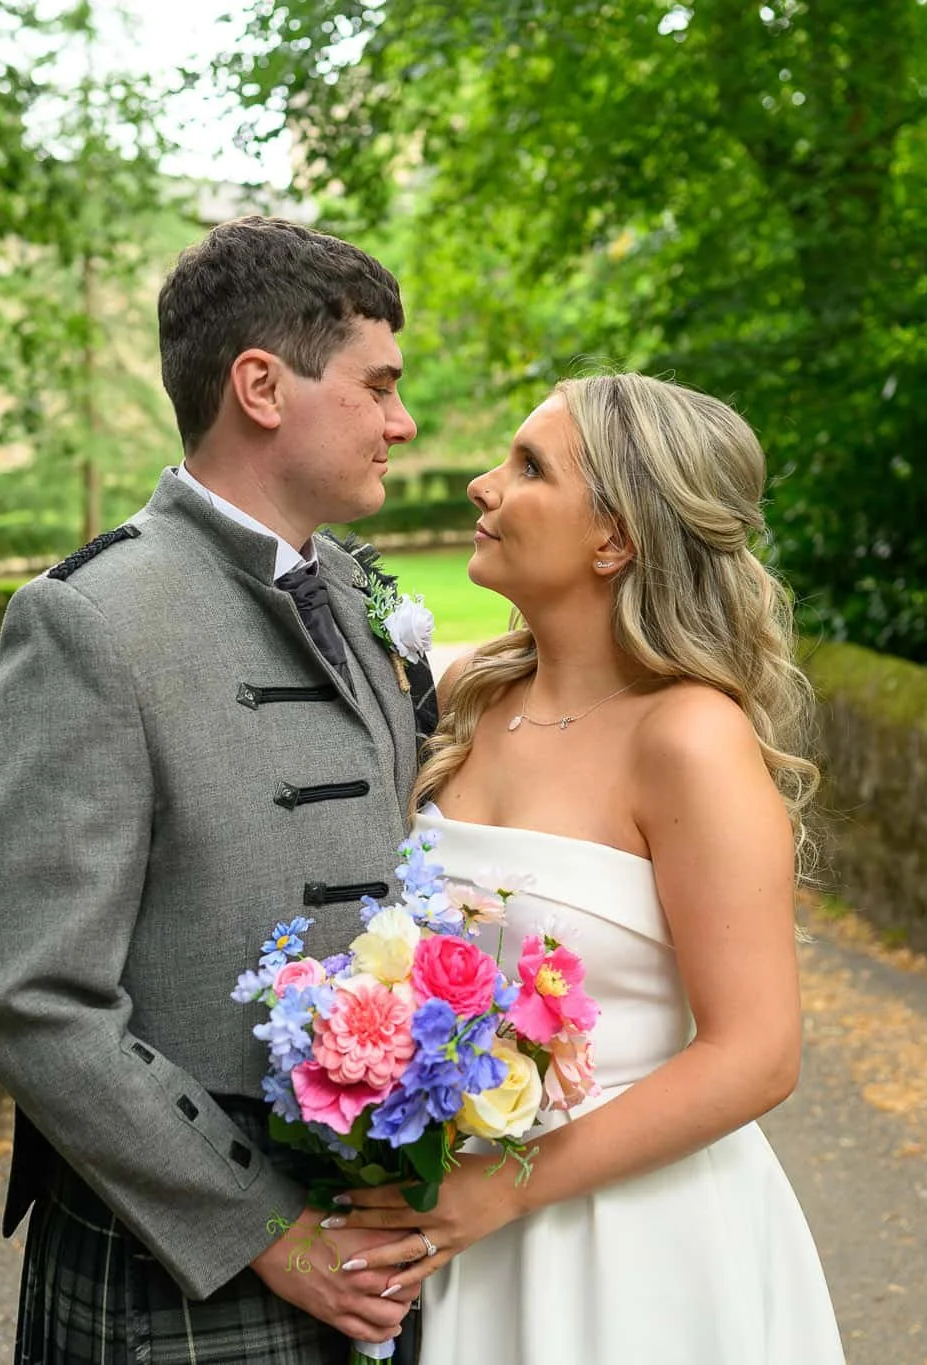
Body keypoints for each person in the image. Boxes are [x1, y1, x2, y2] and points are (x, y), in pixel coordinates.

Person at [0, 216, 441, 1363]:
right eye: (378, 387)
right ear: (261, 387)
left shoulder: (352, 588)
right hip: (180, 1264)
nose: (400, 423)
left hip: (372, 1230)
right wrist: (262, 1226)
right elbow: (27, 994)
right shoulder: (87, 623)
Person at [332, 372, 845, 1362]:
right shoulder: (463, 700)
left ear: (614, 539)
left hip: (636, 1245)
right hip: (464, 1234)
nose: (482, 485)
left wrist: (501, 1187)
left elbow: (755, 1052)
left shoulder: (689, 739)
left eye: (527, 467)